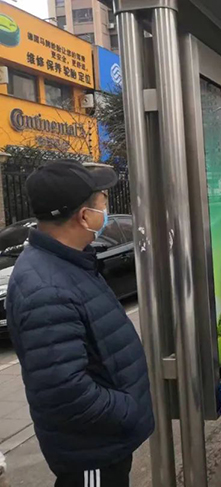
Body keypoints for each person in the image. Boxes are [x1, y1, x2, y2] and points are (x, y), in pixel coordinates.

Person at [6, 160, 154, 487]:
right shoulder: (45, 288)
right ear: (84, 216)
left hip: (104, 444)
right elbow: (66, 393)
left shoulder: (67, 263)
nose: (106, 210)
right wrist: (127, 410)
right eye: (103, 201)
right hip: (92, 452)